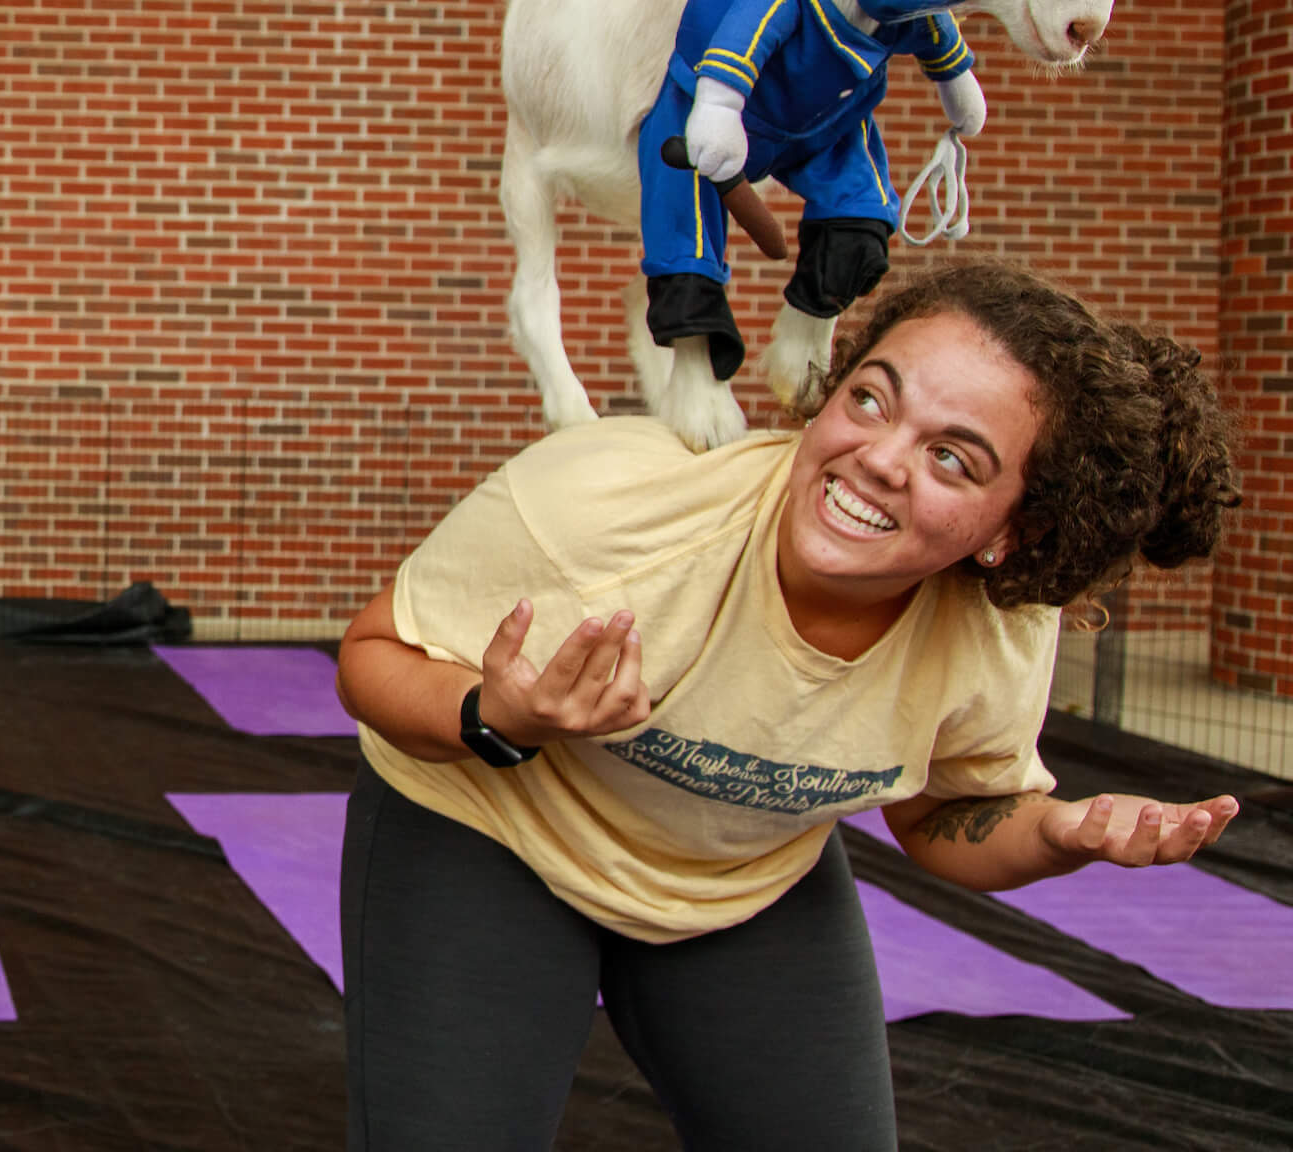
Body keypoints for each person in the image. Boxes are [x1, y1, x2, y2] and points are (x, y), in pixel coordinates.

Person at [334, 259, 1243, 1152]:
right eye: (871, 400)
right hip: (493, 833)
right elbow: (372, 656)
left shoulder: (995, 633)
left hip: (743, 874)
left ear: (1015, 532)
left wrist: (1056, 835)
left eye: (952, 458)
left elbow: (942, 815)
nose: (880, 459)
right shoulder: (611, 507)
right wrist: (497, 718)